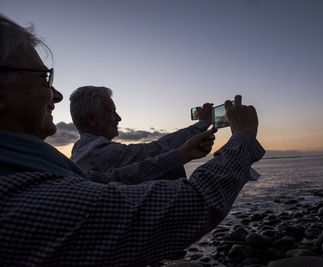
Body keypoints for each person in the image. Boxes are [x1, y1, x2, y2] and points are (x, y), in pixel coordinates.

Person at [0, 14, 265, 266]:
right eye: (44, 77)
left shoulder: (36, 166)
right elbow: (190, 203)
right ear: (91, 119)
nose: (55, 94)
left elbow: (118, 177)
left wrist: (182, 154)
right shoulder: (27, 199)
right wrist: (242, 137)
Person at [69, 85, 214, 173]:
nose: (118, 118)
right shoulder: (97, 152)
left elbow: (152, 157)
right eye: (111, 112)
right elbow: (156, 150)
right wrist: (202, 123)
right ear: (91, 118)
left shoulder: (78, 150)